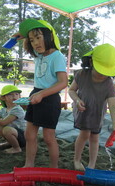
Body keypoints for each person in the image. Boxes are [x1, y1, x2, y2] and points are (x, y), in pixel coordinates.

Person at [17, 19, 68, 168]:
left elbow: (63, 82)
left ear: (49, 37)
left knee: (48, 137)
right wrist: (23, 35)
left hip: (50, 98)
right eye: (32, 40)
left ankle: (54, 167)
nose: (36, 43)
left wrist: (42, 94)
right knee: (29, 135)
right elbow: (27, 40)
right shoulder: (39, 55)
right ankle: (29, 165)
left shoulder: (57, 56)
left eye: (39, 37)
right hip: (36, 94)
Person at [68, 43, 115, 171]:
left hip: (97, 114)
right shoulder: (82, 75)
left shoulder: (108, 83)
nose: (103, 74)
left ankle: (92, 164)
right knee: (84, 134)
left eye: (106, 71)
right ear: (92, 62)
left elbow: (113, 104)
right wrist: (77, 100)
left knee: (95, 137)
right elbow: (71, 90)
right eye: (100, 69)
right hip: (83, 111)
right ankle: (77, 160)